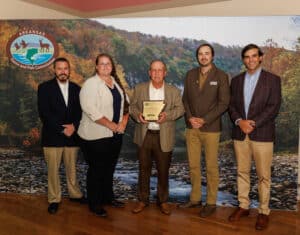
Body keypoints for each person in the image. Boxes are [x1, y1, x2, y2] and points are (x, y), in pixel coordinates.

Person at [228, 44, 281, 230]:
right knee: (242, 172)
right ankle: (243, 206)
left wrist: (253, 123)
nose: (250, 59)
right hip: (240, 134)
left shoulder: (273, 80)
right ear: (243, 60)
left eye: (254, 56)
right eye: (247, 56)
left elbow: (273, 107)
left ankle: (263, 211)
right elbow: (231, 106)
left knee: (263, 176)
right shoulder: (235, 81)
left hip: (263, 134)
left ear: (260, 57)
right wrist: (239, 121)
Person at [181, 43, 230, 217]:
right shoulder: (190, 75)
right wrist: (190, 118)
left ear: (212, 56)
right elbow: (185, 100)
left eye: (207, 53)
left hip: (211, 128)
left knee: (211, 166)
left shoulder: (222, 76)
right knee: (193, 166)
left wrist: (204, 119)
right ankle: (195, 199)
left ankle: (210, 202)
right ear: (197, 57)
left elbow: (224, 103)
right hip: (191, 128)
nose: (203, 56)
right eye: (200, 54)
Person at [130, 60, 184, 215]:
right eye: (153, 70)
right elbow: (132, 107)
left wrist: (167, 116)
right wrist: (138, 116)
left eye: (160, 70)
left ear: (165, 72)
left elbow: (181, 109)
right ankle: (142, 200)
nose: (157, 73)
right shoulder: (140, 88)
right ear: (149, 72)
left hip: (164, 135)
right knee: (143, 170)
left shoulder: (173, 91)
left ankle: (163, 201)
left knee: (163, 171)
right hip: (144, 135)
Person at [78, 53, 129, 217]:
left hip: (115, 135)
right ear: (96, 66)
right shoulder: (90, 84)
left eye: (108, 64)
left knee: (109, 169)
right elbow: (90, 109)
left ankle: (108, 198)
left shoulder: (116, 83)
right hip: (95, 135)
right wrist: (112, 125)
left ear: (112, 66)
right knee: (96, 170)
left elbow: (126, 106)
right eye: (102, 64)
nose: (106, 66)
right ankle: (95, 203)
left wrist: (123, 123)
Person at [37, 57, 85, 214]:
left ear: (69, 70)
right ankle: (54, 199)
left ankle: (75, 194)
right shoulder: (44, 88)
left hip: (72, 136)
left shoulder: (77, 89)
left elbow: (81, 112)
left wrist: (74, 127)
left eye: (66, 68)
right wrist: (61, 129)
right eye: (59, 68)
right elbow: (44, 113)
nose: (63, 71)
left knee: (72, 169)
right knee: (53, 170)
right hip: (53, 136)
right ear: (54, 70)